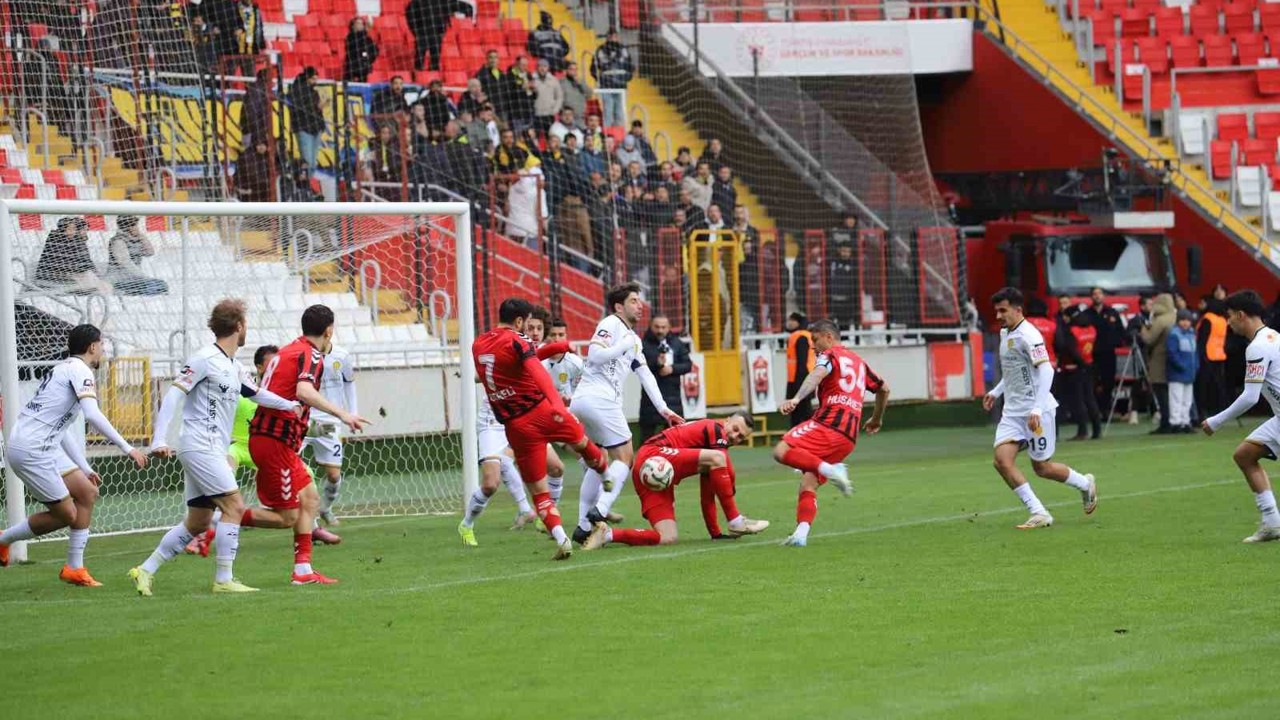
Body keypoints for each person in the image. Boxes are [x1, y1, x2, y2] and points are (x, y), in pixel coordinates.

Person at [128, 300, 301, 596]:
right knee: (234, 506)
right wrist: (158, 439)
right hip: (199, 446)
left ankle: (145, 570)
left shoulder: (235, 366)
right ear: (239, 327)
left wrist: (292, 405)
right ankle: (224, 578)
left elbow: (257, 394)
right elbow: (174, 395)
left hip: (210, 448)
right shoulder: (204, 359)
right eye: (246, 323)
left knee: (198, 521)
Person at [465, 297, 615, 560]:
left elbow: (519, 361)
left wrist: (558, 346)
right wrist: (556, 404)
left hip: (516, 426)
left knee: (539, 489)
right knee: (581, 445)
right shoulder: (517, 341)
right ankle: (605, 476)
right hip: (541, 411)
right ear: (520, 321)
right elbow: (537, 370)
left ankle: (562, 539)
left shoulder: (478, 344)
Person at [0, 325, 148, 580]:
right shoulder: (80, 371)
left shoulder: (61, 369)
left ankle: (74, 568)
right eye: (102, 345)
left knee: (87, 493)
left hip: (39, 445)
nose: (103, 351)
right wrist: (128, 448)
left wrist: (85, 467)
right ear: (92, 347)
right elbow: (93, 414)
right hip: (32, 450)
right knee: (67, 514)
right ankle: (4, 540)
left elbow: (62, 430)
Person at [240, 305, 368, 585]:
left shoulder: (288, 350)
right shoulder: (311, 355)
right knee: (287, 517)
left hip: (275, 439)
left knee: (309, 499)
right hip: (275, 441)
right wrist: (343, 413)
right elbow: (303, 391)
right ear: (329, 330)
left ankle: (303, 570)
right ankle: (227, 516)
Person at [572, 282, 685, 541]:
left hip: (586, 402)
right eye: (634, 300)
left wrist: (663, 409)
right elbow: (595, 356)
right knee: (624, 458)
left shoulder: (633, 338)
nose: (640, 305)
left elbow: (645, 374)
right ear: (619, 306)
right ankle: (600, 510)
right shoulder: (611, 323)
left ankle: (583, 527)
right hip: (599, 399)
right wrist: (621, 346)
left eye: (639, 300)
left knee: (596, 461)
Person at [983, 287, 1098, 530]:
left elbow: (1045, 369)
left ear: (1018, 309)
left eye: (1003, 310)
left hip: (1037, 411)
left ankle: (1085, 484)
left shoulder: (1029, 335)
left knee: (1042, 468)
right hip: (1013, 412)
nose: (999, 316)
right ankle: (1039, 512)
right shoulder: (1006, 333)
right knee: (1001, 460)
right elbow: (1014, 370)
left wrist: (1036, 408)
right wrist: (996, 391)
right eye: (996, 311)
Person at [775, 319, 889, 546]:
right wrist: (876, 419)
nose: (813, 347)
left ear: (828, 336)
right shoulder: (859, 362)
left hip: (828, 424)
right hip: (848, 437)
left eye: (815, 340)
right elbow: (884, 388)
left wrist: (797, 398)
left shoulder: (830, 355)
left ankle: (832, 469)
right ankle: (801, 534)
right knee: (808, 482)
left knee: (781, 450)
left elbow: (816, 374)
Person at [582, 414, 769, 548]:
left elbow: (708, 493)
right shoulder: (715, 429)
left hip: (654, 473)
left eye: (741, 437)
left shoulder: (712, 456)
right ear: (726, 421)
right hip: (654, 455)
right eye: (735, 429)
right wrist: (732, 501)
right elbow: (726, 467)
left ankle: (607, 535)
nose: (735, 436)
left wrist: (716, 533)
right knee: (719, 460)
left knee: (668, 538)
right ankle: (736, 521)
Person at [1200, 289, 1280, 542]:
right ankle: (1272, 522)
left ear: (1241, 315)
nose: (1228, 321)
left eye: (1230, 316)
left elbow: (1250, 396)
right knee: (1245, 455)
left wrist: (1216, 420)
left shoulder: (1257, 347)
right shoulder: (1273, 336)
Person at [302, 343, 358, 537]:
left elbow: (350, 383)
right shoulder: (302, 355)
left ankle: (325, 508)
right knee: (294, 468)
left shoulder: (342, 356)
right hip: (304, 419)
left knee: (334, 475)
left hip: (329, 422)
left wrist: (353, 413)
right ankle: (311, 522)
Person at [638, 315, 691, 439]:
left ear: (669, 328)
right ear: (651, 327)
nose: (660, 330)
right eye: (657, 327)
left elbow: (688, 365)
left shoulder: (677, 343)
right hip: (649, 399)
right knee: (646, 439)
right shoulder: (642, 345)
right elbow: (638, 366)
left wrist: (672, 369)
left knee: (674, 439)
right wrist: (657, 363)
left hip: (673, 398)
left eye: (663, 327)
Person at [34, 217, 111, 295]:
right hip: (54, 274)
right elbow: (62, 263)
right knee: (90, 279)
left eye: (74, 229)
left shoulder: (73, 241)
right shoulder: (57, 241)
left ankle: (102, 295)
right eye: (71, 229)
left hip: (69, 273)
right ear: (63, 230)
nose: (73, 232)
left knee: (94, 279)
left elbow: (84, 262)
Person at [1082, 287, 1126, 418]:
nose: (1097, 296)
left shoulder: (1112, 313)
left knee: (1108, 382)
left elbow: (1120, 331)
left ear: (1103, 296)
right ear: (1091, 297)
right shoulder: (1086, 314)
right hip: (1092, 354)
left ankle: (1106, 410)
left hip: (1108, 353)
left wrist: (1115, 342)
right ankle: (1094, 412)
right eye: (1094, 294)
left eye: (1099, 294)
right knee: (1093, 382)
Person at [1057, 311, 1101, 440]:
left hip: (1076, 367)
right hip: (1089, 364)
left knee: (1078, 400)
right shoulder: (1092, 329)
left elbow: (1071, 350)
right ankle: (1097, 429)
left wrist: (1080, 363)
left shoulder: (1072, 330)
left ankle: (1082, 431)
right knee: (1090, 398)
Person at [1140, 292, 1176, 434]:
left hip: (1159, 359)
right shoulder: (1175, 317)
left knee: (1161, 393)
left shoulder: (1160, 320)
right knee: (1175, 394)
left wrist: (1143, 328)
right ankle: (1177, 420)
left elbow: (1149, 339)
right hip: (1174, 361)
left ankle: (1165, 422)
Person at [105, 215, 167, 295]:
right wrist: (143, 276)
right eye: (136, 225)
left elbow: (150, 252)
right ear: (129, 226)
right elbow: (125, 262)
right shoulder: (118, 241)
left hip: (134, 277)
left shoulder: (136, 239)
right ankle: (120, 290)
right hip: (119, 278)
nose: (138, 228)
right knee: (153, 286)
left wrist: (142, 238)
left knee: (161, 285)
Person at [406, 0, 473, 71]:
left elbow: (466, 7)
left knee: (434, 61)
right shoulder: (417, 2)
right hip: (423, 34)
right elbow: (410, 16)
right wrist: (416, 31)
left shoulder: (444, 2)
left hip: (435, 34)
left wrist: (469, 19)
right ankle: (419, 77)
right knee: (421, 60)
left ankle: (432, 75)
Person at [590, 29, 633, 127]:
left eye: (615, 36)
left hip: (620, 85)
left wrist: (626, 77)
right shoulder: (600, 50)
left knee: (620, 111)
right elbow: (593, 68)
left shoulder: (623, 50)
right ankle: (607, 133)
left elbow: (630, 66)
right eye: (611, 36)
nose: (613, 38)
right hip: (606, 86)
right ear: (607, 37)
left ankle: (619, 134)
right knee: (608, 110)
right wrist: (600, 79)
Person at [1196, 297, 1229, 419]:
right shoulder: (1223, 320)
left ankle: (1202, 411)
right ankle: (1219, 409)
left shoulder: (1208, 318)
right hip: (1219, 355)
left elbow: (1202, 338)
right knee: (1217, 386)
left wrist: (1201, 354)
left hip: (1207, 356)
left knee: (1203, 386)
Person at [1167, 309, 1199, 434]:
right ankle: (1175, 422)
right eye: (1183, 320)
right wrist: (1181, 365)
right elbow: (1172, 353)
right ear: (1178, 321)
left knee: (1187, 400)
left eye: (1188, 320)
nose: (1185, 323)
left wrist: (1196, 366)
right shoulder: (1174, 334)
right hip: (1177, 373)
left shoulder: (1191, 334)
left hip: (1189, 373)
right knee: (1176, 398)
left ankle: (1185, 421)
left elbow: (1195, 353)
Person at [289, 67, 324, 172]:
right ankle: (305, 184)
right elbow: (301, 108)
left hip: (316, 127)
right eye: (313, 79)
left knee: (313, 162)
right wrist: (317, 107)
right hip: (304, 128)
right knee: (308, 162)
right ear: (307, 78)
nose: (315, 81)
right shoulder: (297, 91)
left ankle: (308, 183)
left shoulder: (313, 92)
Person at [784, 313, 815, 427]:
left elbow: (802, 362)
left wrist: (799, 384)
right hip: (798, 379)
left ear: (798, 322)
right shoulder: (800, 336)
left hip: (801, 379)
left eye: (792, 320)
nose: (789, 322)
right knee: (798, 410)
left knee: (804, 411)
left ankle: (811, 433)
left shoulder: (801, 337)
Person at [235, 138, 274, 202]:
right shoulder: (248, 156)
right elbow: (253, 176)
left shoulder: (266, 155)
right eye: (258, 145)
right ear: (254, 145)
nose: (261, 147)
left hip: (258, 189)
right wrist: (269, 183)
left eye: (263, 144)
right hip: (247, 190)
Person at [530, 58, 562, 132]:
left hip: (549, 114)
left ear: (548, 68)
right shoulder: (531, 78)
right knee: (536, 138)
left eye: (545, 66)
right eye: (540, 66)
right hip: (536, 114)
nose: (542, 69)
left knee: (550, 137)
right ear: (537, 68)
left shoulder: (553, 80)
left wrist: (555, 110)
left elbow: (559, 96)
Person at [342, 17, 378, 82]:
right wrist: (366, 30)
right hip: (352, 70)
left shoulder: (368, 39)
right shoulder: (350, 37)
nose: (361, 25)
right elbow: (356, 45)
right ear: (353, 26)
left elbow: (375, 51)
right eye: (358, 23)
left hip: (364, 69)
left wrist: (368, 58)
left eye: (362, 24)